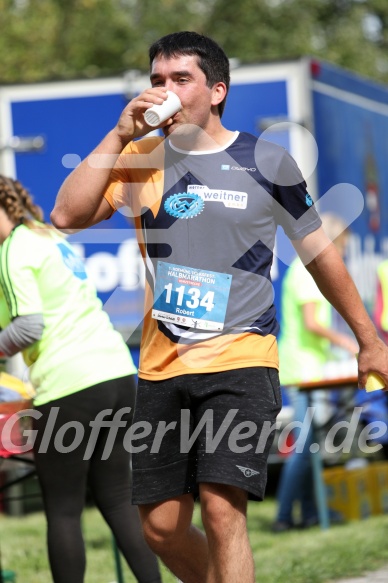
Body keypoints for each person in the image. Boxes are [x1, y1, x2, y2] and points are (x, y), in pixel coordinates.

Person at [51, 30, 388, 583]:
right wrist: (117, 134)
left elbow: (321, 256)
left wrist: (369, 339)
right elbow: (66, 215)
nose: (166, 90)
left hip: (242, 360)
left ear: (216, 91)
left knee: (222, 507)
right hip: (162, 367)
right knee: (158, 527)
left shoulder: (267, 161)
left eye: (181, 79)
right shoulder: (140, 157)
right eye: (158, 80)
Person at [0, 175, 162, 583]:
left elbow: (29, 327)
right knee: (118, 499)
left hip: (69, 384)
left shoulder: (12, 251)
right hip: (117, 373)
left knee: (64, 508)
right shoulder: (46, 236)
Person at [272, 213, 359, 532]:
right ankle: (283, 516)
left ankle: (309, 512)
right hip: (302, 371)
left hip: (309, 368)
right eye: (342, 246)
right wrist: (348, 342)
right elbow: (312, 323)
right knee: (306, 447)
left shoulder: (304, 269)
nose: (344, 253)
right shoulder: (307, 272)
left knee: (310, 447)